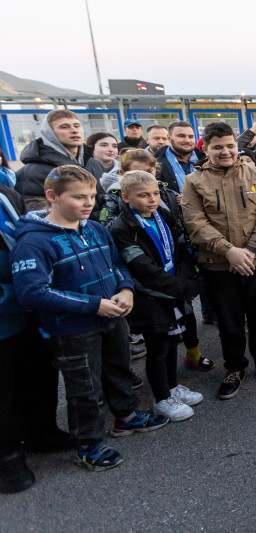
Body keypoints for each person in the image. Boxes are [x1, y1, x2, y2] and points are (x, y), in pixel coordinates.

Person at [11, 165, 169, 471]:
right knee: (85, 388)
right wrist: (93, 305)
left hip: (113, 318)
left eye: (92, 196)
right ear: (51, 197)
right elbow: (33, 293)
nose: (88, 203)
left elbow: (117, 264)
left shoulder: (95, 229)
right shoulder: (33, 242)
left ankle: (126, 416)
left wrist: (125, 289)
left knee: (120, 370)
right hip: (73, 330)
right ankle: (89, 445)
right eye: (79, 197)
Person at [181, 122, 256, 400]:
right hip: (219, 264)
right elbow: (195, 223)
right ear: (206, 148)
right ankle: (235, 368)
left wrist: (249, 250)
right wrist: (229, 251)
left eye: (229, 145)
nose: (226, 151)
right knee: (229, 322)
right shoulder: (193, 181)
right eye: (218, 147)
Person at [110, 170, 204, 421]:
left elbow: (180, 248)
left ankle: (172, 387)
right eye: (143, 195)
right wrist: (182, 287)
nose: (152, 199)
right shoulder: (123, 227)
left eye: (154, 194)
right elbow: (143, 269)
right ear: (126, 197)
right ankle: (161, 398)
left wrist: (186, 279)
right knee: (158, 346)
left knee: (173, 341)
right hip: (150, 296)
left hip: (172, 290)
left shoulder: (162, 214)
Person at [0, 183, 71, 493]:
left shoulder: (5, 192)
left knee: (40, 373)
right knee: (3, 391)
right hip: (7, 308)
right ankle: (8, 456)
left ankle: (42, 432)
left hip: (27, 306)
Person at [14, 110, 105, 202]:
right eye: (64, 127)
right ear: (49, 134)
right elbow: (37, 210)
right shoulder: (33, 172)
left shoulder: (94, 163)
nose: (74, 130)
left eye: (77, 126)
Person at [155, 121, 204, 195]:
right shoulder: (156, 163)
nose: (187, 140)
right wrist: (173, 199)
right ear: (169, 138)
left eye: (191, 137)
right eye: (181, 136)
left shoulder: (207, 160)